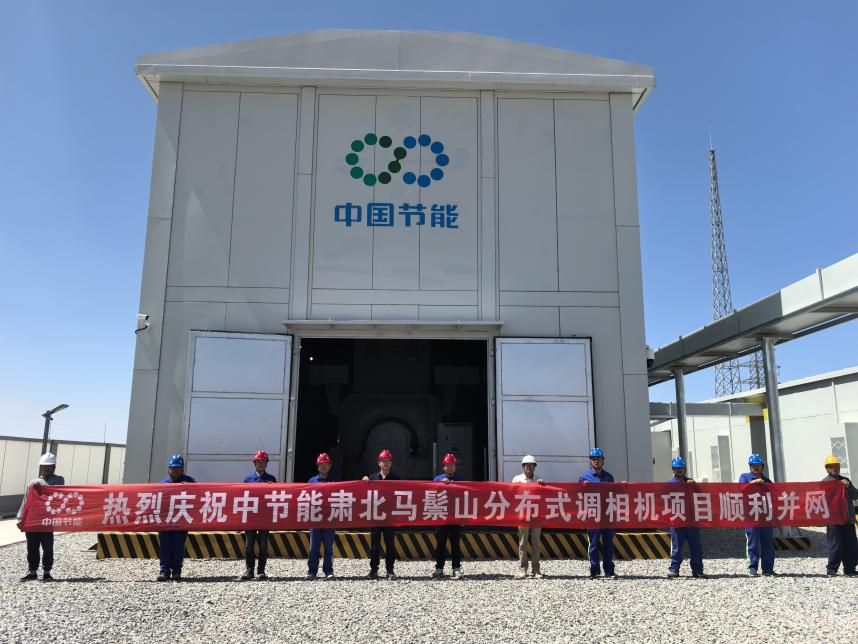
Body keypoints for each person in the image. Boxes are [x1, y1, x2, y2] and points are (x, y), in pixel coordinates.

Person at [17, 453, 65, 582]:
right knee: (32, 547)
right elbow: (26, 500)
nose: (46, 468)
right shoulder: (32, 482)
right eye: (44, 466)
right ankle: (32, 572)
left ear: (54, 467)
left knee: (47, 547)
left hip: (47, 520)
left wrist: (42, 485)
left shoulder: (59, 480)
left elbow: (56, 489)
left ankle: (47, 572)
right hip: (32, 519)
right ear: (40, 467)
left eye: (49, 466)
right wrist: (21, 518)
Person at [579, 448, 617, 579]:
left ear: (602, 460)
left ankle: (609, 570)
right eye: (594, 459)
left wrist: (623, 487)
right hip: (593, 515)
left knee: (608, 543)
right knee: (594, 543)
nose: (596, 461)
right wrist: (583, 487)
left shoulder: (609, 477)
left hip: (607, 515)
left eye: (598, 459)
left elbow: (613, 494)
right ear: (591, 461)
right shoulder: (584, 478)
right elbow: (579, 496)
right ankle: (594, 570)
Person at [362, 449, 399, 579]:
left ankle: (390, 570)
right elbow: (362, 493)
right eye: (383, 461)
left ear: (391, 463)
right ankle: (374, 569)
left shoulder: (396, 480)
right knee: (375, 545)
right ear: (379, 463)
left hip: (389, 517)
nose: (386, 463)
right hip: (376, 516)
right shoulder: (372, 478)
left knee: (390, 544)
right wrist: (363, 481)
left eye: (388, 461)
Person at [158, 454, 195, 582]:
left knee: (178, 546)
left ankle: (177, 571)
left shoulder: (190, 482)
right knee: (165, 546)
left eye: (178, 468)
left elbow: (198, 496)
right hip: (166, 521)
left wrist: (189, 488)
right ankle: (164, 571)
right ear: (169, 469)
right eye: (173, 468)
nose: (176, 471)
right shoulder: (163, 484)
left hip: (181, 519)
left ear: (182, 469)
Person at [666, 457, 705, 579]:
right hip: (677, 521)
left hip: (692, 521)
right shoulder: (669, 484)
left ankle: (697, 570)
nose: (679, 470)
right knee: (676, 548)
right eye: (676, 468)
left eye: (681, 468)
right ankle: (674, 569)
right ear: (673, 469)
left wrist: (695, 486)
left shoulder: (691, 483)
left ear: (685, 469)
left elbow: (701, 496)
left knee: (696, 547)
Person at [240, 450, 276, 581]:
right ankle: (249, 570)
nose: (260, 464)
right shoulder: (247, 479)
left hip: (264, 517)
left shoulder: (271, 480)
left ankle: (261, 571)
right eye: (258, 462)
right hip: (250, 517)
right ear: (254, 463)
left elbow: (276, 497)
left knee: (263, 545)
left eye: (263, 462)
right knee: (249, 545)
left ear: (266, 464)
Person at [738, 454, 775, 577]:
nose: (756, 467)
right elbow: (741, 489)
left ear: (762, 466)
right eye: (753, 465)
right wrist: (755, 482)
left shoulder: (767, 481)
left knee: (768, 544)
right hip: (751, 517)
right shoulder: (744, 477)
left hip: (766, 518)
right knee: (752, 543)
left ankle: (768, 569)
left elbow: (774, 496)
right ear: (750, 466)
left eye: (758, 465)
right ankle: (752, 569)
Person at [821, 455, 858, 576]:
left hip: (848, 519)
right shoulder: (824, 483)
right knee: (835, 545)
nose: (834, 469)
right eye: (831, 467)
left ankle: (850, 569)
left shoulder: (845, 481)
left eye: (836, 466)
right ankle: (832, 569)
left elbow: (855, 495)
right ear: (827, 468)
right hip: (834, 520)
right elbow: (820, 501)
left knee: (851, 545)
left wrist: (848, 486)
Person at [512, 454, 546, 578]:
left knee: (536, 543)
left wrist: (543, 485)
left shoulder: (538, 480)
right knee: (523, 543)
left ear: (534, 467)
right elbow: (511, 494)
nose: (529, 467)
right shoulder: (517, 479)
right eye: (527, 465)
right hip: (522, 514)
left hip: (536, 515)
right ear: (523, 466)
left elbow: (544, 496)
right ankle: (523, 569)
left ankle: (536, 570)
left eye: (532, 465)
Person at [432, 453, 464, 579]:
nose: (450, 467)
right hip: (441, 516)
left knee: (455, 544)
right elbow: (431, 495)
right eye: (448, 465)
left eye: (452, 465)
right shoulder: (437, 479)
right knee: (440, 544)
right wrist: (441, 484)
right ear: (443, 467)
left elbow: (465, 497)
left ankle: (456, 568)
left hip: (455, 516)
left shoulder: (460, 480)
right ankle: (439, 568)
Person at [307, 453, 336, 580]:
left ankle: (328, 570)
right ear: (317, 466)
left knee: (329, 547)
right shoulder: (311, 481)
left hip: (330, 519)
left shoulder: (336, 482)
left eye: (326, 464)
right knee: (314, 547)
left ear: (330, 466)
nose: (324, 467)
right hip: (315, 519)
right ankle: (312, 571)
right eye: (321, 464)